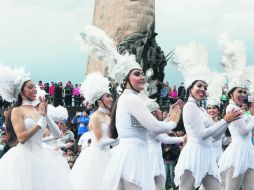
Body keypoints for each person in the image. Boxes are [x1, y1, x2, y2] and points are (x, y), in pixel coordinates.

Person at [0, 65, 73, 190]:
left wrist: (46, 114)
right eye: (30, 87)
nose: (35, 89)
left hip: (42, 156)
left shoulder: (37, 109)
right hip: (24, 159)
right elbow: (22, 138)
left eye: (34, 86)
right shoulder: (17, 110)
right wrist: (41, 120)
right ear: (21, 92)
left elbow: (57, 134)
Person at [70, 73, 118, 190]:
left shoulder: (108, 116)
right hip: (96, 157)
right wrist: (117, 139)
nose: (111, 99)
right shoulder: (95, 116)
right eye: (108, 96)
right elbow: (101, 142)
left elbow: (112, 140)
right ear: (99, 100)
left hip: (109, 155)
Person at [219, 86, 254, 190]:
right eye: (239, 91)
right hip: (238, 152)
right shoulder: (231, 108)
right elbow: (244, 131)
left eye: (244, 92)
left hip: (248, 150)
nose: (243, 94)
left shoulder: (240, 109)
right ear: (231, 94)